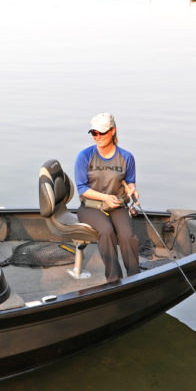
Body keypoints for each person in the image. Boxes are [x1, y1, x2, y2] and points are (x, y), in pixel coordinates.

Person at [74, 112, 141, 281]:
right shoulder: (84, 156)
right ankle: (114, 279)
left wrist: (132, 189)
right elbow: (82, 189)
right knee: (106, 230)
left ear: (112, 131)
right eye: (94, 133)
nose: (97, 137)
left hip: (117, 205)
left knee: (127, 235)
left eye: (101, 132)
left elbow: (129, 181)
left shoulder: (126, 157)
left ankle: (134, 277)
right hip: (90, 206)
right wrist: (104, 198)